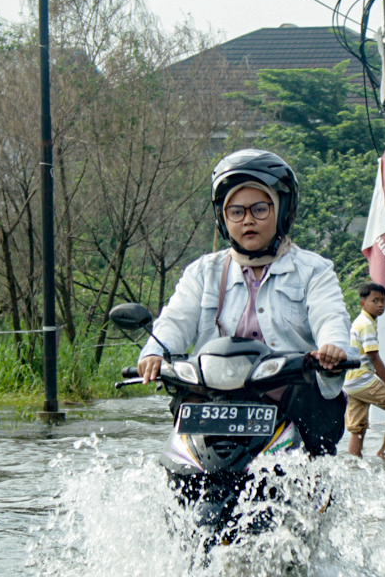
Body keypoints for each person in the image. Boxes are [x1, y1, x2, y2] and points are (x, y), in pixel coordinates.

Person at [137, 149, 351, 455]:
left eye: (259, 209)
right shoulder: (203, 272)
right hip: (216, 401)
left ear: (282, 209)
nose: (247, 220)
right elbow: (176, 320)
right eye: (236, 211)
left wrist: (333, 348)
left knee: (315, 415)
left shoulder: (313, 270)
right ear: (223, 218)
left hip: (288, 403)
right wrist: (155, 353)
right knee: (183, 429)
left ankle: (313, 494)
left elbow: (330, 316)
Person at [344, 282, 385, 461]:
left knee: (357, 427)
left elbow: (364, 359)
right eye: (375, 300)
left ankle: (354, 462)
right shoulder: (366, 324)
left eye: (383, 300)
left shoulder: (361, 321)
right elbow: (374, 358)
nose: (380, 305)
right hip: (360, 379)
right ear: (362, 303)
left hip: (351, 380)